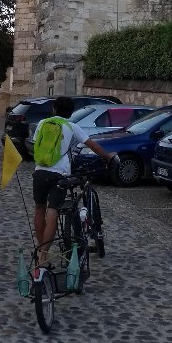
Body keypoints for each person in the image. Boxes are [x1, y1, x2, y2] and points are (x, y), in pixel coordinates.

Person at [32, 95, 117, 272]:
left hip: (39, 171)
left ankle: (40, 248)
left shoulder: (42, 123)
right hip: (59, 174)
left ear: (54, 109)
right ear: (71, 112)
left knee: (39, 208)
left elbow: (35, 144)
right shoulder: (71, 126)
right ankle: (44, 255)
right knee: (53, 211)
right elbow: (93, 145)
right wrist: (108, 156)